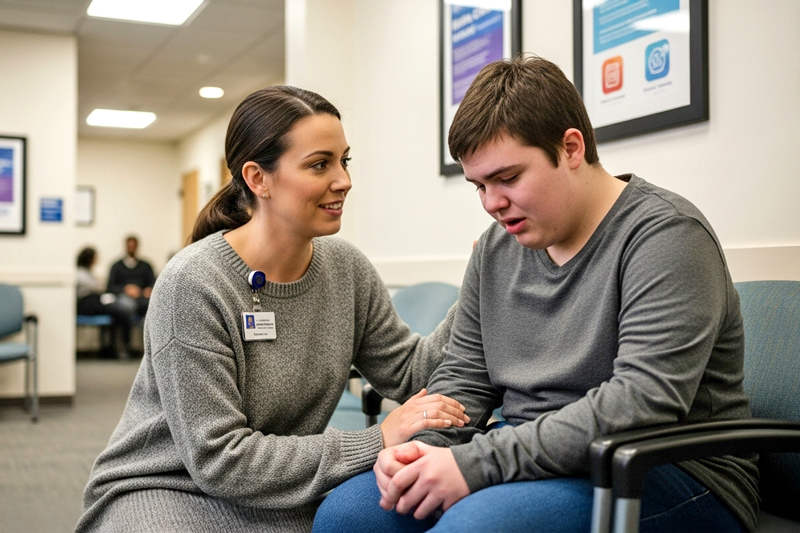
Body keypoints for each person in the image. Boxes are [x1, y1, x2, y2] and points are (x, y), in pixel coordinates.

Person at [313, 55, 758, 532]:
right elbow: (464, 376)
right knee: (349, 516)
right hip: (526, 453)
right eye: (479, 185)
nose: (492, 203)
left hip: (663, 466)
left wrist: (476, 463)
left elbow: (641, 401)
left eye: (508, 178)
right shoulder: (496, 247)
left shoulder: (666, 236)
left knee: (473, 527)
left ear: (570, 148)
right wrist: (423, 451)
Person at [75, 85, 468, 533]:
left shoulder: (347, 270)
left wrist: (480, 284)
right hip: (168, 487)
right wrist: (377, 439)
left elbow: (414, 373)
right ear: (258, 179)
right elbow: (219, 458)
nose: (344, 179)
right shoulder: (193, 284)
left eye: (345, 160)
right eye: (320, 164)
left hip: (281, 488)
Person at [76, 247, 134, 359]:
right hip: (86, 304)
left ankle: (112, 349)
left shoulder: (88, 272)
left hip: (94, 301)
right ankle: (124, 348)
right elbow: (92, 288)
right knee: (120, 312)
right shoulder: (79, 273)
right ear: (90, 259)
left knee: (118, 313)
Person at [106, 235, 156, 319]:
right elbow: (110, 287)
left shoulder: (146, 266)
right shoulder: (116, 266)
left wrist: (147, 290)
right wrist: (126, 289)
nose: (131, 248)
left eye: (133, 246)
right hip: (122, 298)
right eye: (129, 246)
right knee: (125, 306)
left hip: (142, 299)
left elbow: (153, 284)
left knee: (150, 306)